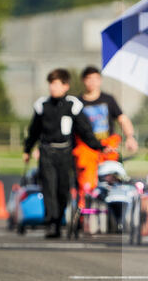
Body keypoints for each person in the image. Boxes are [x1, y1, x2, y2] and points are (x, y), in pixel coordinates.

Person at [23, 68, 106, 239]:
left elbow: (85, 130)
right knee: (49, 188)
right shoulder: (42, 105)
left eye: (57, 84)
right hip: (47, 151)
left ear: (66, 86)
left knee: (63, 189)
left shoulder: (73, 105)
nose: (53, 88)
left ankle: (59, 218)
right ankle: (51, 223)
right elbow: (34, 130)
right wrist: (27, 149)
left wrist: (99, 146)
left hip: (65, 152)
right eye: (51, 84)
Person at [74, 66, 138, 192]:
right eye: (89, 79)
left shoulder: (108, 99)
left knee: (114, 177)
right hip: (87, 150)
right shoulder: (77, 103)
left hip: (108, 148)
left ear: (100, 80)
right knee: (86, 181)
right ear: (83, 81)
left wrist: (130, 137)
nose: (92, 82)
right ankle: (85, 206)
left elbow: (122, 119)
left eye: (95, 79)